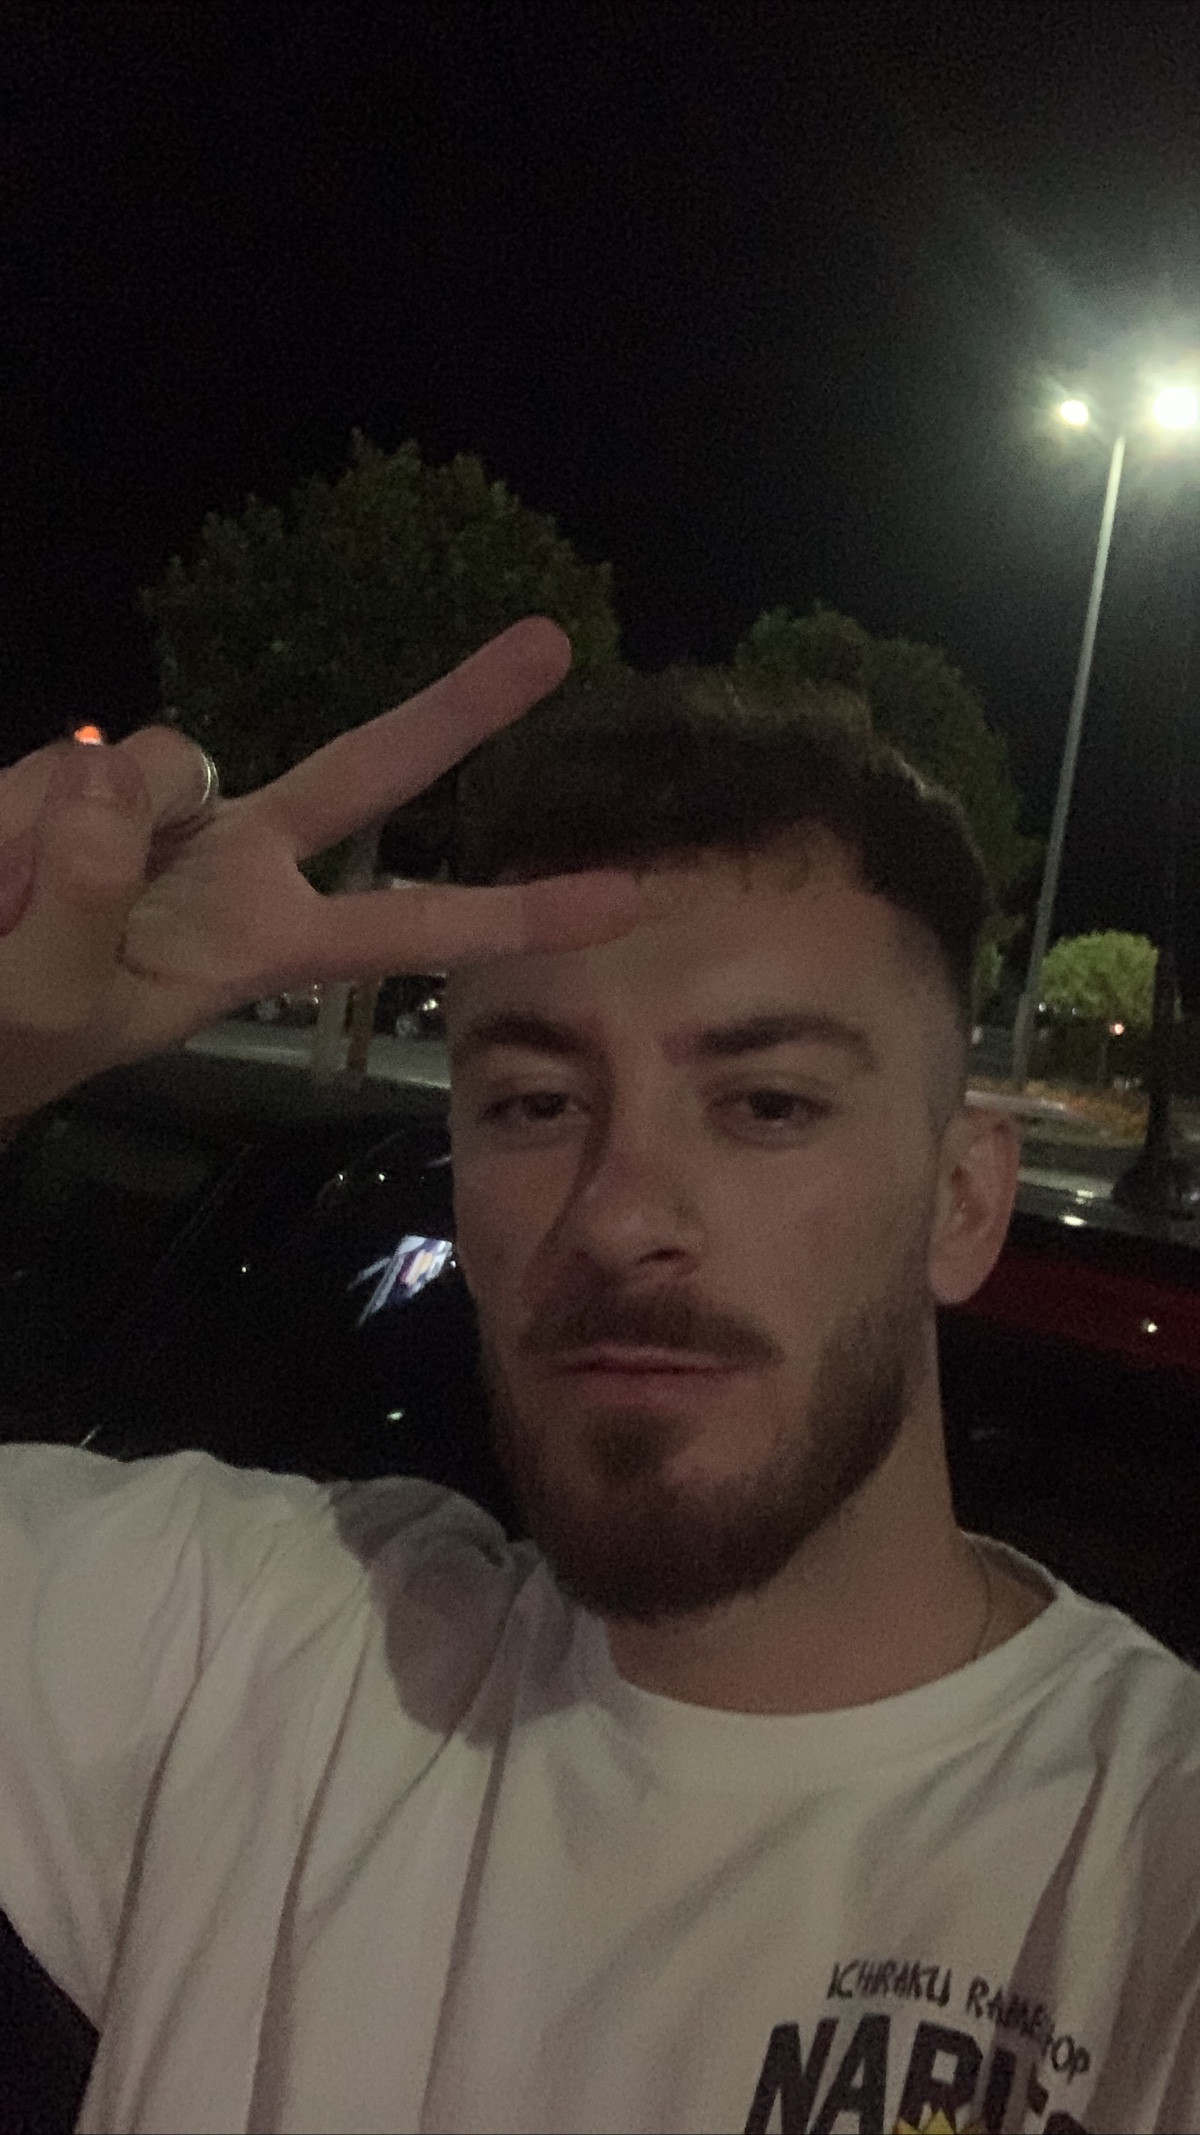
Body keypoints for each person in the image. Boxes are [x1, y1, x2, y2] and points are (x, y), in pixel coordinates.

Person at [0, 621, 1196, 2135]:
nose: (621, 1216)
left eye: (769, 1103)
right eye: (534, 1102)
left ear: (963, 1202)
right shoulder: (259, 1662)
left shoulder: (1144, 1861)